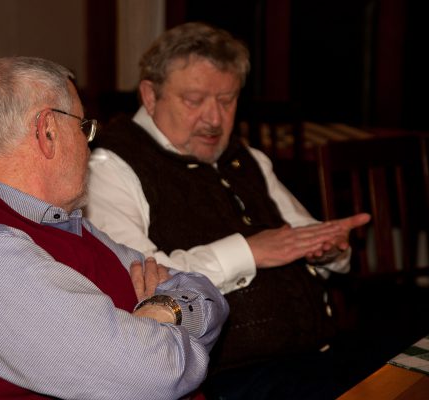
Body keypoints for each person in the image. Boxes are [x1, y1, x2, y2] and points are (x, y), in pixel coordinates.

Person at [0, 56, 229, 400]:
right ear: (48, 131)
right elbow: (157, 376)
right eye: (84, 127)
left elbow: (206, 294)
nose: (89, 144)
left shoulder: (64, 223)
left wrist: (164, 309)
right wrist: (168, 331)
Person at [86, 22, 371, 399]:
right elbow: (139, 278)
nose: (214, 119)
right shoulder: (109, 166)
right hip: (223, 380)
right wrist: (250, 251)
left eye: (227, 100)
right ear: (150, 96)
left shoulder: (247, 157)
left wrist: (330, 250)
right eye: (194, 100)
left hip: (316, 355)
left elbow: (304, 235)